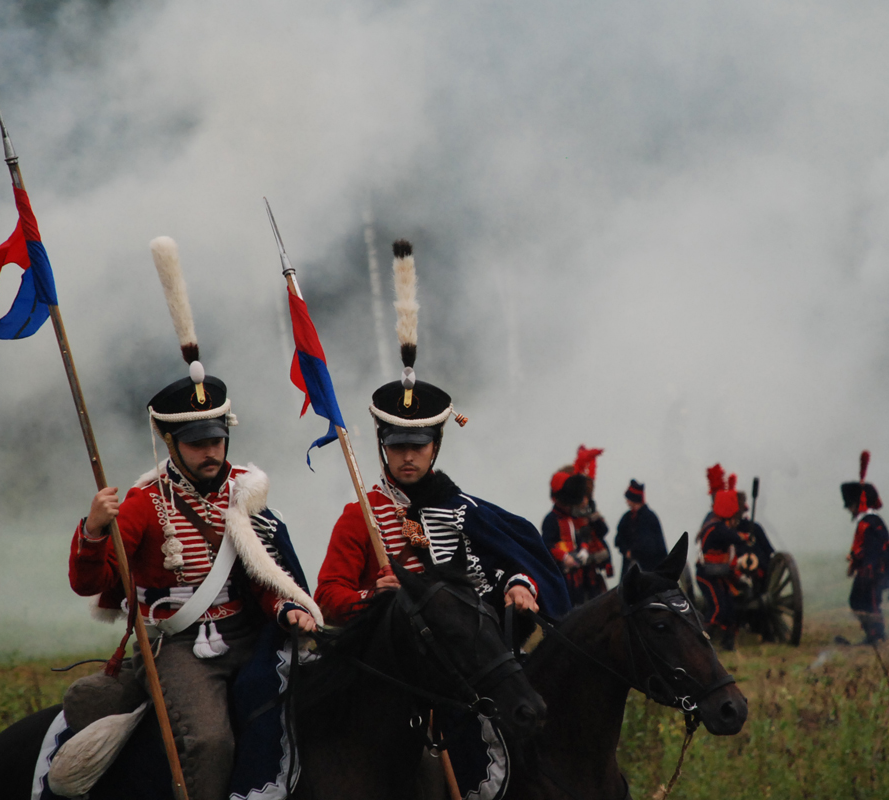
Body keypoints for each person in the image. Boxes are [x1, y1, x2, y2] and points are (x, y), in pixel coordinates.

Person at [314, 240, 569, 798]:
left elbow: (503, 566)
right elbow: (329, 594)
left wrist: (521, 584)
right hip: (392, 674)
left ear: (435, 446)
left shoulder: (464, 511)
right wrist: (375, 600)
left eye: (419, 445)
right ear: (382, 446)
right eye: (397, 446)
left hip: (464, 668)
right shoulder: (360, 517)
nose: (408, 457)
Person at [68, 237, 320, 800]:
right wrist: (95, 530)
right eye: (196, 442)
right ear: (170, 442)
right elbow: (91, 582)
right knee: (208, 743)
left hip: (251, 633)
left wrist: (288, 609)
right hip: (181, 648)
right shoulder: (143, 503)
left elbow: (264, 575)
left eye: (216, 438)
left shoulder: (245, 493)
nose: (210, 451)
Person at [841, 451, 889, 644]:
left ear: (857, 504)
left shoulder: (870, 522)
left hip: (873, 571)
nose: (849, 509)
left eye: (850, 505)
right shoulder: (868, 521)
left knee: (870, 603)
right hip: (869, 569)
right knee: (858, 601)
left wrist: (861, 562)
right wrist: (855, 557)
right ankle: (872, 635)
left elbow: (874, 550)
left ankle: (877, 637)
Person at [542, 452, 612, 605]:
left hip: (587, 571)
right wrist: (565, 557)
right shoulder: (552, 519)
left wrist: (584, 549)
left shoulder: (580, 515)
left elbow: (597, 533)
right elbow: (548, 544)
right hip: (568, 573)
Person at [695, 475, 747, 650]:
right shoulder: (716, 527)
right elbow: (732, 536)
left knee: (730, 608)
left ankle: (728, 643)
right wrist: (745, 537)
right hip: (707, 574)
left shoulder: (719, 524)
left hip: (720, 573)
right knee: (718, 608)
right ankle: (699, 643)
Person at [614, 480, 667, 577]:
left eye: (629, 499)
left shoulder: (649, 518)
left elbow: (650, 545)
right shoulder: (627, 518)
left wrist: (633, 553)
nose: (627, 501)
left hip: (651, 569)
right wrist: (626, 551)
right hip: (631, 570)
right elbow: (619, 539)